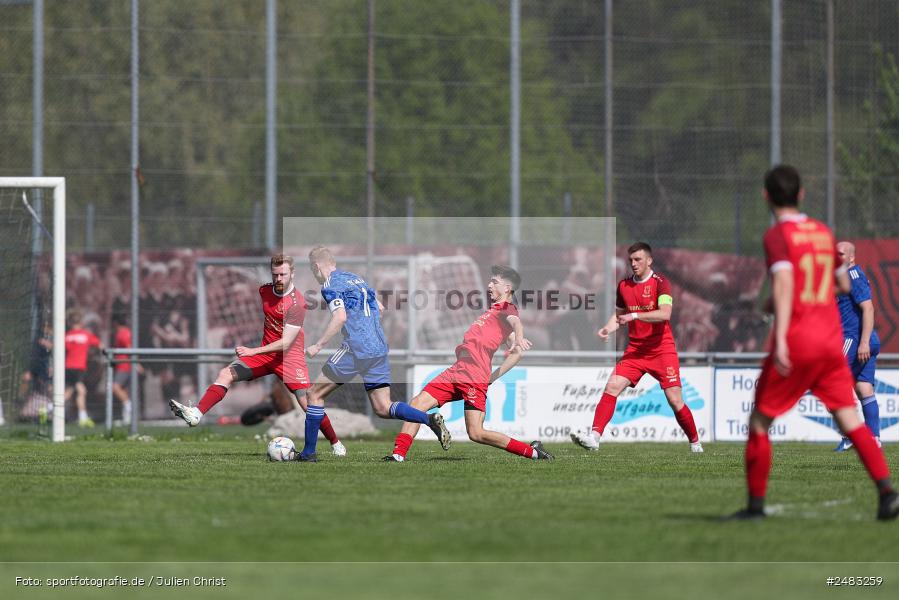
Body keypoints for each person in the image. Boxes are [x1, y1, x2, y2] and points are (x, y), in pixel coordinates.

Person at [729, 164, 898, 520]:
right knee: (850, 420)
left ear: (766, 196)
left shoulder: (777, 236)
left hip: (801, 338)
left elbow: (786, 285)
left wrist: (782, 337)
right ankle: (886, 493)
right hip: (830, 340)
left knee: (760, 423)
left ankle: (755, 507)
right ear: (802, 194)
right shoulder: (822, 232)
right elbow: (839, 284)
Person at [169, 255, 347, 457]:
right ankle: (196, 414)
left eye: (283, 274)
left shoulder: (297, 303)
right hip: (266, 354)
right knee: (225, 374)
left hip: (289, 358)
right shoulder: (264, 290)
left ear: (292, 274)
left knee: (309, 405)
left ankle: (336, 443)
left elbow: (287, 342)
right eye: (275, 274)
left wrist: (253, 351)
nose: (278, 279)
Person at [384, 265, 553, 462]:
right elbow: (517, 354)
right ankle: (398, 454)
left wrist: (514, 345)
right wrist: (501, 364)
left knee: (476, 433)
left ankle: (533, 452)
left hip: (473, 377)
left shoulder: (507, 308)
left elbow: (516, 324)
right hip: (456, 371)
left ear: (507, 288)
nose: (489, 285)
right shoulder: (493, 313)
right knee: (417, 403)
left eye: (494, 282)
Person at [301, 246, 450, 462]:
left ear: (316, 266)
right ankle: (429, 419)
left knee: (314, 394)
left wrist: (319, 344)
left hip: (356, 348)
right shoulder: (356, 279)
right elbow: (379, 307)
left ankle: (308, 454)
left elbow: (340, 317)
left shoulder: (330, 285)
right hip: (379, 347)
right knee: (382, 407)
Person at [570, 242, 703, 453]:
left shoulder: (661, 283)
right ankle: (594, 438)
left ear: (649, 260)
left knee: (675, 400)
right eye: (631, 260)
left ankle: (695, 443)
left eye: (638, 259)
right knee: (611, 387)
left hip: (662, 350)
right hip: (636, 351)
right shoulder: (624, 286)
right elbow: (620, 315)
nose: (634, 263)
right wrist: (607, 328)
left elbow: (664, 314)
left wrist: (636, 315)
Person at [833, 241, 882, 451]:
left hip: (854, 339)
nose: (837, 256)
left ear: (852, 258)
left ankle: (850, 434)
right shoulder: (842, 277)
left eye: (841, 254)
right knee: (864, 388)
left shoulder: (853, 275)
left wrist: (862, 343)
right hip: (866, 338)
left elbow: (868, 309)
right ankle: (874, 439)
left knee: (831, 384)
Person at [64, 309, 102, 427]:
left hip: (67, 366)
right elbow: (100, 345)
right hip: (78, 367)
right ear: (81, 322)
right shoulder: (86, 334)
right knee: (81, 391)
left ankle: (49, 408)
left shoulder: (67, 335)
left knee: (70, 392)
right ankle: (83, 417)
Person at [111, 314, 143, 424]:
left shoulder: (123, 333)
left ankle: (128, 405)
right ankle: (127, 417)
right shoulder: (122, 332)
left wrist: (137, 364)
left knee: (115, 387)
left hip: (125, 366)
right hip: (122, 365)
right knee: (123, 390)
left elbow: (129, 348)